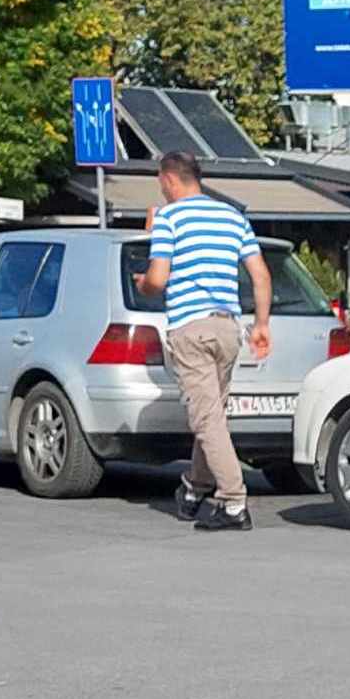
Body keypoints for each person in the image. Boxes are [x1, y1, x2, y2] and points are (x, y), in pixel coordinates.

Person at [134, 151, 273, 532]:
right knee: (211, 415)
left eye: (161, 183)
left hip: (190, 328)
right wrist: (261, 323)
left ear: (169, 179)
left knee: (207, 419)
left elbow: (158, 280)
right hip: (228, 327)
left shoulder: (169, 219)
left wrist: (142, 282)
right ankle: (195, 489)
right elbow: (260, 274)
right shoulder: (232, 216)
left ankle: (232, 503)